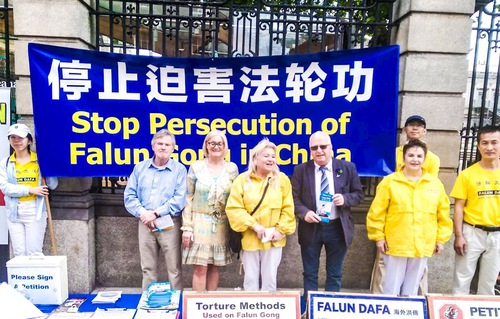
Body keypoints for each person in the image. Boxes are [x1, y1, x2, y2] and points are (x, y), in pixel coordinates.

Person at [366, 139, 452, 295]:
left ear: (425, 159)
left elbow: (443, 214)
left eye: (419, 156)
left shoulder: (435, 184)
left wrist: (440, 239)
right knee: (391, 288)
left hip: (423, 243)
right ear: (403, 158)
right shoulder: (389, 182)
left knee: (412, 290)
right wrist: (378, 237)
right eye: (411, 155)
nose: (415, 159)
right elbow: (377, 212)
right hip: (397, 243)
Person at [291, 131, 364, 304]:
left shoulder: (347, 167)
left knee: (335, 273)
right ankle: (310, 308)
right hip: (311, 228)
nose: (319, 151)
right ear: (310, 150)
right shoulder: (301, 170)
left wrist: (345, 199)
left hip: (337, 228)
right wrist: (304, 213)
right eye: (314, 148)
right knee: (309, 273)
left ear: (331, 148)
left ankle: (330, 308)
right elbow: (293, 199)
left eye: (323, 146)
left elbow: (359, 194)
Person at [225, 138, 295, 291]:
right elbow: (234, 208)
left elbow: (288, 208)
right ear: (255, 158)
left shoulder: (282, 180)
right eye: (266, 155)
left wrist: (281, 230)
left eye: (273, 156)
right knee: (250, 280)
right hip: (250, 238)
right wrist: (254, 225)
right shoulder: (242, 181)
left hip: (273, 239)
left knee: (270, 281)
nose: (270, 159)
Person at [124, 129, 187, 290]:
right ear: (153, 146)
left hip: (169, 223)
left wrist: (156, 213)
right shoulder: (140, 168)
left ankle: (177, 305)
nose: (163, 147)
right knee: (148, 269)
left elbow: (179, 199)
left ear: (173, 148)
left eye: (167, 144)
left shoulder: (179, 170)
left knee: (174, 269)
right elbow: (129, 195)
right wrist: (144, 213)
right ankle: (148, 305)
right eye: (160, 143)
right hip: (145, 223)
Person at [181, 130, 239, 291]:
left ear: (225, 146)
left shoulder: (231, 169)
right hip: (199, 223)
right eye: (211, 143)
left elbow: (236, 197)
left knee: (215, 266)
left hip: (222, 224)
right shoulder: (196, 167)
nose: (215, 147)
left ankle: (210, 305)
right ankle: (197, 308)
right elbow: (188, 197)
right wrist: (187, 227)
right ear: (206, 146)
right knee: (200, 267)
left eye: (219, 143)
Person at [451, 125, 500, 295]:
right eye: (485, 143)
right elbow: (458, 206)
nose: (490, 147)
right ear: (478, 146)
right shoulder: (467, 174)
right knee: (461, 279)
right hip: (471, 231)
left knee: (489, 282)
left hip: (498, 235)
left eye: (494, 142)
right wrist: (459, 235)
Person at [0, 123, 58, 256]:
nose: (16, 141)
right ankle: (21, 277)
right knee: (19, 253)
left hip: (35, 211)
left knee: (34, 253)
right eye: (13, 137)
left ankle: (34, 277)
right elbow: (6, 187)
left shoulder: (39, 161)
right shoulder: (6, 163)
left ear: (29, 140)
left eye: (20, 137)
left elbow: (53, 185)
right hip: (14, 211)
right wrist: (30, 189)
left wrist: (49, 168)